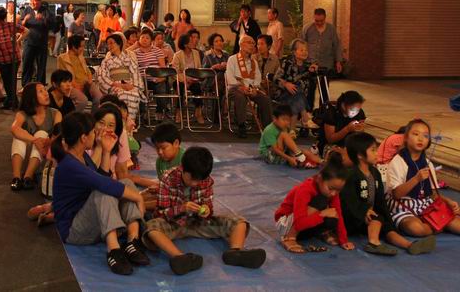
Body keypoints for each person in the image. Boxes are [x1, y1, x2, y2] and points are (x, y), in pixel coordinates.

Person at [142, 147, 266, 275]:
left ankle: (236, 252)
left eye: (199, 180)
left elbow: (208, 207)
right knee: (151, 227)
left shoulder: (206, 180)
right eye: (192, 179)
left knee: (239, 221)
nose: (195, 183)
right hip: (173, 223)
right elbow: (161, 212)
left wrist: (206, 210)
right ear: (182, 168)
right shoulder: (168, 178)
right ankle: (180, 257)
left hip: (197, 222)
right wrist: (182, 208)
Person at [52, 112, 149, 276]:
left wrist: (106, 151)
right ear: (83, 138)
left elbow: (101, 177)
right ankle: (113, 250)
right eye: (93, 131)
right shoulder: (69, 164)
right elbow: (103, 184)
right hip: (73, 231)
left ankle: (133, 240)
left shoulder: (82, 156)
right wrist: (138, 197)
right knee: (105, 190)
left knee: (126, 182)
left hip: (89, 218)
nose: (97, 133)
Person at [341, 132, 436, 256]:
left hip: (370, 217)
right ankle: (373, 243)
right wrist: (364, 211)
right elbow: (348, 200)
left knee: (387, 226)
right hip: (354, 218)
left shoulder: (375, 173)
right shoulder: (351, 175)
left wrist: (388, 218)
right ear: (360, 155)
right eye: (373, 150)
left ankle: (410, 245)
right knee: (377, 218)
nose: (377, 153)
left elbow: (380, 200)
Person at [386, 119, 460, 236]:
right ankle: (438, 224)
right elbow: (396, 194)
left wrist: (448, 201)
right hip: (402, 205)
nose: (420, 139)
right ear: (406, 137)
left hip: (425, 204)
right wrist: (416, 179)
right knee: (415, 228)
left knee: (457, 224)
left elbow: (433, 194)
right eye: (416, 134)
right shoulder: (397, 162)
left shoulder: (427, 163)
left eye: (425, 136)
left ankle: (435, 224)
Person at [274, 153, 355, 253]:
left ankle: (321, 232)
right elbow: (299, 224)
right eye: (331, 188)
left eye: (338, 190)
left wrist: (344, 240)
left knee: (334, 215)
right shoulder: (305, 189)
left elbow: (338, 213)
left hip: (305, 227)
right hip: (286, 224)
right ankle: (290, 238)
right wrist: (322, 214)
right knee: (321, 201)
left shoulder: (332, 192)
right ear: (320, 179)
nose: (334, 193)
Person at [9, 82, 61, 191]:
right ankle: (16, 177)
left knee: (41, 133)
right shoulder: (22, 114)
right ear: (31, 97)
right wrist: (34, 140)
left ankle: (28, 176)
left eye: (45, 90)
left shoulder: (55, 113)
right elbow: (14, 129)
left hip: (45, 154)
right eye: (41, 91)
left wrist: (45, 141)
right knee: (18, 137)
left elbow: (58, 135)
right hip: (25, 156)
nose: (46, 93)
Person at [226, 36, 274, 138]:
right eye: (249, 43)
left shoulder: (253, 62)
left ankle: (268, 128)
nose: (252, 45)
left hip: (251, 88)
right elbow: (230, 78)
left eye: (253, 43)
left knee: (265, 99)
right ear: (241, 44)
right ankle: (241, 125)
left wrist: (255, 88)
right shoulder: (232, 59)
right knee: (240, 97)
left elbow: (257, 78)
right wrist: (242, 87)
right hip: (236, 88)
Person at [0, 7, 28, 110]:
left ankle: (12, 102)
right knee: (12, 80)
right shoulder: (11, 25)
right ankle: (12, 101)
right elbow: (26, 31)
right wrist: (17, 40)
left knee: (7, 81)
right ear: (5, 15)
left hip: (2, 59)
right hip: (15, 57)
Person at [273, 39, 320, 131]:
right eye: (301, 50)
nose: (305, 52)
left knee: (296, 98)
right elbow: (276, 78)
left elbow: (313, 84)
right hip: (284, 94)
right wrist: (286, 84)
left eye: (306, 50)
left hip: (300, 97)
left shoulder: (308, 65)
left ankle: (292, 131)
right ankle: (305, 117)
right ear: (294, 52)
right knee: (297, 92)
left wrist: (313, 72)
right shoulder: (286, 63)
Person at [97, 33, 144, 123]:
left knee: (134, 94)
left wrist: (133, 85)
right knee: (122, 95)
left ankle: (130, 122)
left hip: (129, 85)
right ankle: (121, 123)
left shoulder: (129, 59)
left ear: (119, 44)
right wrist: (114, 84)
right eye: (108, 44)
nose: (109, 46)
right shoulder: (106, 61)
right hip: (114, 86)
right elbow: (102, 76)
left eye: (111, 43)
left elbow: (135, 73)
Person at [302, 8, 344, 110]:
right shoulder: (307, 28)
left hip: (326, 63)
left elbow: (337, 45)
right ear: (314, 17)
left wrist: (338, 61)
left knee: (324, 89)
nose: (319, 23)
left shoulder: (331, 29)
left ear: (325, 18)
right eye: (317, 21)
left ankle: (323, 111)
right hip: (311, 63)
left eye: (321, 21)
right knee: (310, 89)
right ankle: (309, 110)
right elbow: (301, 43)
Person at [318, 90, 366, 164]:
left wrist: (360, 129)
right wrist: (347, 129)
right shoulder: (332, 113)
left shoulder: (360, 113)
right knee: (340, 159)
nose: (356, 112)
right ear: (343, 105)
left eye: (358, 109)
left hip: (349, 145)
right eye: (353, 109)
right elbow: (330, 139)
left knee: (366, 154)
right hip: (330, 145)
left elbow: (360, 135)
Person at [58, 35, 102, 112]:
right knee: (82, 101)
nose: (83, 48)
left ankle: (94, 117)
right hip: (71, 85)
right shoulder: (62, 58)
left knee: (99, 97)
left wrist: (89, 79)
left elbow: (87, 70)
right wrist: (75, 85)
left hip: (86, 83)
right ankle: (72, 117)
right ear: (74, 47)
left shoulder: (80, 56)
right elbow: (62, 76)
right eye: (81, 46)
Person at [171, 34, 204, 124]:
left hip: (193, 80)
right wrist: (185, 79)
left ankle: (198, 112)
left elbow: (199, 69)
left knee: (197, 88)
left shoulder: (196, 53)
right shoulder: (177, 55)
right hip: (180, 80)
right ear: (185, 44)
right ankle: (179, 111)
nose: (194, 42)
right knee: (180, 88)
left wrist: (194, 79)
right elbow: (175, 71)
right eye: (191, 41)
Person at [134, 28, 167, 117]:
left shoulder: (158, 51)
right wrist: (134, 46)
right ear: (139, 39)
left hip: (156, 78)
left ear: (151, 41)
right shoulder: (135, 53)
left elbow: (163, 68)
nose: (144, 40)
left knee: (161, 87)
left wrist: (161, 78)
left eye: (147, 38)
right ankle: (142, 113)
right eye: (142, 37)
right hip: (142, 79)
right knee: (140, 86)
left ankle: (160, 111)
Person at [22, 0, 52, 85]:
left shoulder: (45, 11)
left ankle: (40, 85)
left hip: (41, 42)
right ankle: (26, 85)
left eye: (34, 0)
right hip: (29, 42)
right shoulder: (27, 10)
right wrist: (25, 20)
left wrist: (43, 18)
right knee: (27, 64)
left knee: (41, 66)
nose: (32, 2)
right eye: (31, 1)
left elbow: (52, 25)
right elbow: (21, 25)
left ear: (39, 1)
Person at [203, 33, 229, 112]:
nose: (219, 43)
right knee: (220, 77)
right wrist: (213, 68)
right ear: (212, 44)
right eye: (216, 41)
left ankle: (219, 111)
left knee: (222, 79)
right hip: (211, 82)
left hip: (225, 82)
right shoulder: (208, 56)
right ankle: (219, 111)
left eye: (220, 41)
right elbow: (203, 72)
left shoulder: (226, 55)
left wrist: (227, 66)